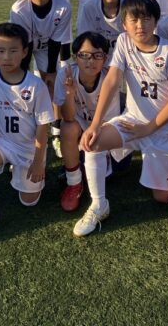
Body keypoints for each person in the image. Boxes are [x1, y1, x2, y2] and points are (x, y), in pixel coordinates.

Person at [76, 0, 168, 236]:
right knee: (93, 142)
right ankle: (99, 204)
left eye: (146, 19)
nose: (140, 25)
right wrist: (95, 124)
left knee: (162, 197)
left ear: (156, 21)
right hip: (132, 121)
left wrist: (148, 128)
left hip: (163, 129)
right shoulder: (124, 41)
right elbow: (112, 80)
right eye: (134, 20)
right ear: (124, 23)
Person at [0, 23, 54, 242]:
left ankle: (15, 168)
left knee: (29, 201)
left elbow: (43, 127)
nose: (6, 57)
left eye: (13, 51)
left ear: (25, 52)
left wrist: (38, 162)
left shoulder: (36, 85)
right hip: (1, 142)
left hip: (28, 147)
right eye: (1, 50)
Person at [10, 0, 73, 155]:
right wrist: (22, 77)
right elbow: (24, 46)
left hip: (48, 47)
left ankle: (56, 130)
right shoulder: (19, 9)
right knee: (22, 87)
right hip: (23, 47)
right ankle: (24, 132)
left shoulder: (63, 6)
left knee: (53, 85)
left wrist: (51, 73)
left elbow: (56, 42)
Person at [54, 31, 118, 212]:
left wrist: (92, 134)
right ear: (75, 57)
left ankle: (86, 160)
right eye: (84, 55)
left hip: (104, 125)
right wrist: (69, 92)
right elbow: (68, 117)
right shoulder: (66, 74)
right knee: (67, 128)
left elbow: (109, 121)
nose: (91, 61)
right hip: (80, 124)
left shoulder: (109, 77)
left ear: (105, 58)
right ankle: (74, 182)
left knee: (115, 168)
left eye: (97, 55)